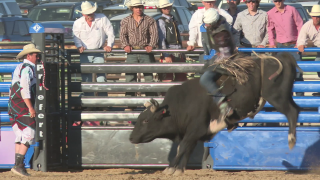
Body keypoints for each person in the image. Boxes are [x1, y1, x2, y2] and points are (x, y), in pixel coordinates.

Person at [8, 44, 41, 177]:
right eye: (36, 55)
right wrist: (30, 107)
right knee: (29, 132)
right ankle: (19, 165)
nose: (38, 57)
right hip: (21, 105)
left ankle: (17, 165)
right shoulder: (28, 69)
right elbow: (25, 88)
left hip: (13, 104)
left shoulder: (19, 67)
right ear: (29, 56)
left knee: (20, 134)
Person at [73, 1, 115, 97]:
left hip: (98, 51)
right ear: (83, 14)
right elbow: (76, 37)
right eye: (88, 13)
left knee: (101, 77)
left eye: (91, 12)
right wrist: (79, 46)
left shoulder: (102, 18)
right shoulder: (78, 23)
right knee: (86, 78)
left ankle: (103, 101)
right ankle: (89, 101)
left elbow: (110, 32)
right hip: (85, 52)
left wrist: (109, 45)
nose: (90, 15)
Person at [120, 0, 158, 97]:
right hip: (131, 51)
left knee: (149, 77)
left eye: (140, 7)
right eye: (136, 7)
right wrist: (125, 45)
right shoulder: (126, 20)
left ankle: (151, 101)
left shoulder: (150, 20)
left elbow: (154, 34)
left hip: (145, 51)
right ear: (132, 8)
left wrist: (151, 45)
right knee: (130, 77)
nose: (138, 9)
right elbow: (122, 35)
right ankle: (130, 103)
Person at [267, 0, 304, 96]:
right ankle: (287, 100)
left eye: (279, 0)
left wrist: (299, 42)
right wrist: (272, 44)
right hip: (280, 47)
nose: (278, 2)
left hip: (294, 46)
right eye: (275, 1)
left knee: (298, 73)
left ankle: (301, 100)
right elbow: (270, 29)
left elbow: (300, 25)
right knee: (283, 74)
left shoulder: (292, 10)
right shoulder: (270, 13)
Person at [157, 0, 187, 82]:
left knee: (181, 77)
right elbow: (161, 39)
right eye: (164, 7)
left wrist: (182, 52)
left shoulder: (173, 19)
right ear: (161, 9)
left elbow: (178, 38)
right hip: (169, 50)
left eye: (168, 6)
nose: (167, 8)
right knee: (167, 78)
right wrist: (166, 54)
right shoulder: (161, 21)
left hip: (178, 51)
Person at [297, 5, 320, 96]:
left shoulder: (307, 25)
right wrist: (301, 44)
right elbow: (301, 38)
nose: (316, 18)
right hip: (319, 50)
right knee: (317, 64)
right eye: (314, 16)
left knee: (317, 63)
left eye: (318, 16)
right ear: (311, 16)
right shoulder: (307, 25)